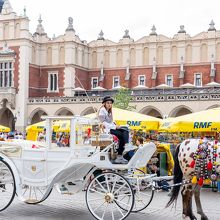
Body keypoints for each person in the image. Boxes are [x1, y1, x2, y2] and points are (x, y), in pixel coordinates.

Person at [98, 96, 129, 164]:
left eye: (111, 103)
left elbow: (110, 122)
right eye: (108, 103)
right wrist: (115, 127)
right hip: (107, 130)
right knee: (122, 135)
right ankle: (123, 151)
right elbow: (103, 123)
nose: (109, 104)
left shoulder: (109, 111)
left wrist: (116, 125)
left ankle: (123, 151)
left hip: (111, 127)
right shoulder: (102, 110)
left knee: (125, 129)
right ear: (104, 104)